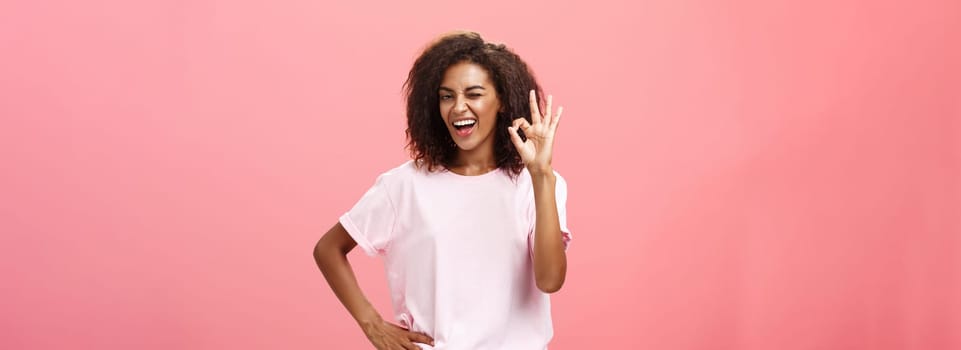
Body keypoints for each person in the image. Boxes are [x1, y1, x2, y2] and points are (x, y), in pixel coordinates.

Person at [313, 31, 572, 350]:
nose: (458, 107)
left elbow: (550, 280)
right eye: (446, 96)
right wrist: (373, 325)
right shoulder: (405, 185)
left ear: (501, 99)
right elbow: (328, 248)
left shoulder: (541, 183)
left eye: (474, 94)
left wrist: (541, 175)